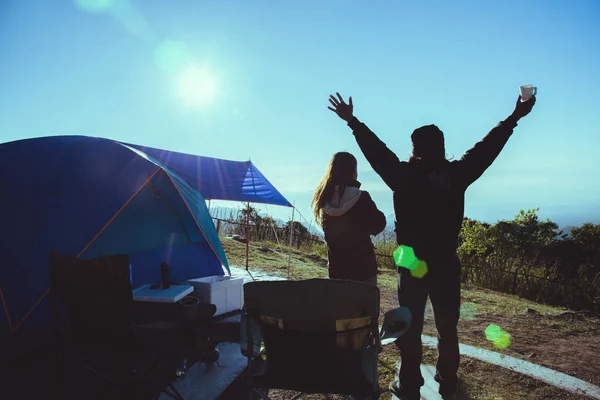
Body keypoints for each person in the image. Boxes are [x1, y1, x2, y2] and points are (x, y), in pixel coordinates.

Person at [327, 92, 536, 400]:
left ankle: (409, 386)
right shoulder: (457, 174)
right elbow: (486, 150)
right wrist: (514, 117)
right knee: (447, 328)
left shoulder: (403, 175)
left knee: (410, 328)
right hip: (446, 262)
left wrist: (353, 122)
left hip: (411, 260)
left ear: (414, 150)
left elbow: (377, 151)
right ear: (442, 147)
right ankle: (447, 382)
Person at [311, 151, 387, 285]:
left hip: (337, 270)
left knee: (341, 305)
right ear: (353, 171)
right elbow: (379, 223)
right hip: (364, 269)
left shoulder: (323, 200)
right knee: (365, 305)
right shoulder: (361, 197)